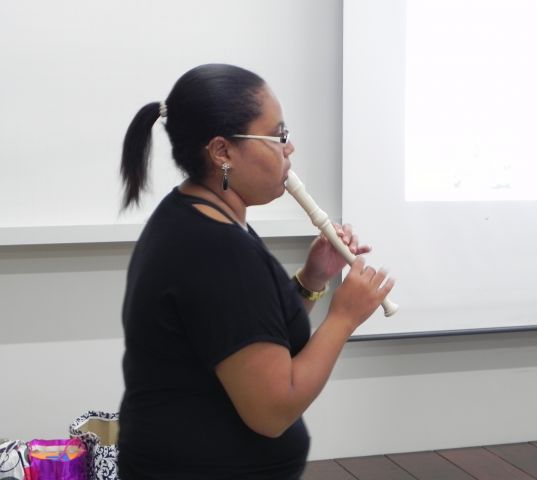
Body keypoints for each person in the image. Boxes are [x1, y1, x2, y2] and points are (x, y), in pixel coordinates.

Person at [117, 63, 394, 480]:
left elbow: (252, 335)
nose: (289, 148)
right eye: (278, 136)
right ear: (222, 152)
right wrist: (344, 317)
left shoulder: (197, 214)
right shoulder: (215, 249)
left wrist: (313, 278)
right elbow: (273, 411)